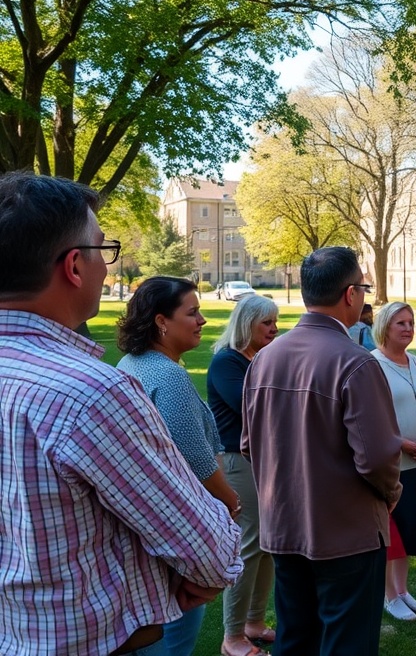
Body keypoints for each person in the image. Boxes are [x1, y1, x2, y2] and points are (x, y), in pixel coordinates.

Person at [0, 172, 241, 656]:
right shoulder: (90, 393)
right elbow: (208, 551)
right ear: (74, 266)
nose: (106, 269)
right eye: (102, 250)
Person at [243, 247, 402, 656]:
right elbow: (378, 459)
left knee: (295, 637)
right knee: (347, 642)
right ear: (350, 294)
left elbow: (249, 445)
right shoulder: (356, 362)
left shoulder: (263, 359)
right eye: (363, 288)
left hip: (283, 526)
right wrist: (391, 494)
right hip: (346, 533)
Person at [117, 277, 243, 656]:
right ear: (161, 322)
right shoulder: (167, 376)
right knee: (173, 637)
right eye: (192, 312)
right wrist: (230, 500)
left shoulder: (131, 362)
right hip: (178, 529)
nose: (202, 320)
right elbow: (195, 457)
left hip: (144, 530)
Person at [208, 296, 280, 656]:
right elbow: (254, 405)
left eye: (275, 322)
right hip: (238, 462)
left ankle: (254, 622)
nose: (274, 329)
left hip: (265, 461)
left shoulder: (258, 359)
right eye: (266, 323)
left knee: (266, 546)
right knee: (249, 546)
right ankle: (233, 636)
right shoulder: (227, 362)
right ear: (247, 323)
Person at [371, 302, 416, 622]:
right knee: (391, 533)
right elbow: (370, 417)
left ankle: (402, 590)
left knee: (410, 530)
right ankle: (388, 596)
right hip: (391, 464)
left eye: (411, 322)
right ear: (385, 327)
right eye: (400, 323)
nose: (408, 328)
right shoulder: (373, 365)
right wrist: (400, 442)